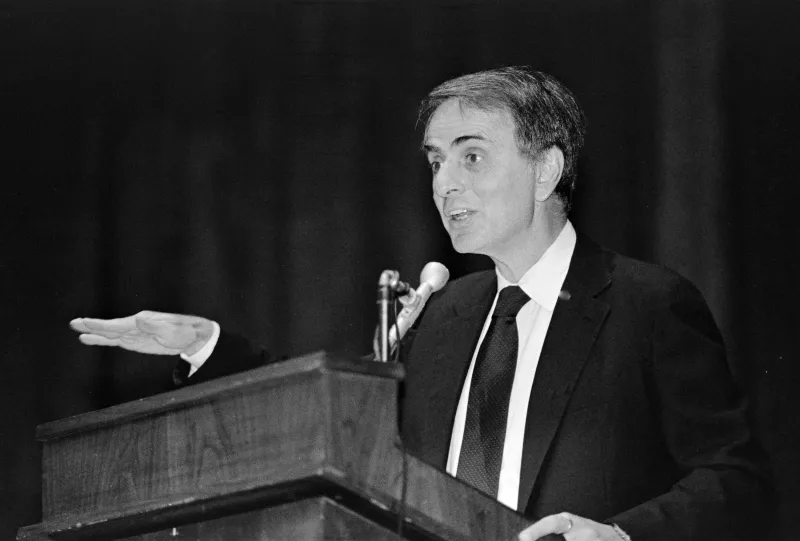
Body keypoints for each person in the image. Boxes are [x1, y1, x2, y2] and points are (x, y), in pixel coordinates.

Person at [70, 67, 770, 541]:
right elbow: (335, 424)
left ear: (547, 168)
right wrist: (206, 344)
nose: (443, 184)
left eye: (471, 156)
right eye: (436, 161)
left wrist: (620, 535)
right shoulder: (442, 316)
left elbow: (737, 480)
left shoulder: (646, 306)